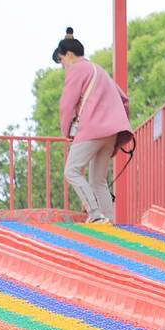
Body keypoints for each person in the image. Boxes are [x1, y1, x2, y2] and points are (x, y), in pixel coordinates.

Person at [53, 34, 131, 224]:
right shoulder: (99, 70)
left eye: (61, 60)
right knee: (99, 180)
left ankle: (95, 215)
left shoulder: (78, 69)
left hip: (92, 128)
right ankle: (110, 221)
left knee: (71, 171)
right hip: (112, 132)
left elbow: (67, 104)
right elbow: (124, 100)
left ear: (69, 54)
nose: (63, 65)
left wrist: (66, 131)